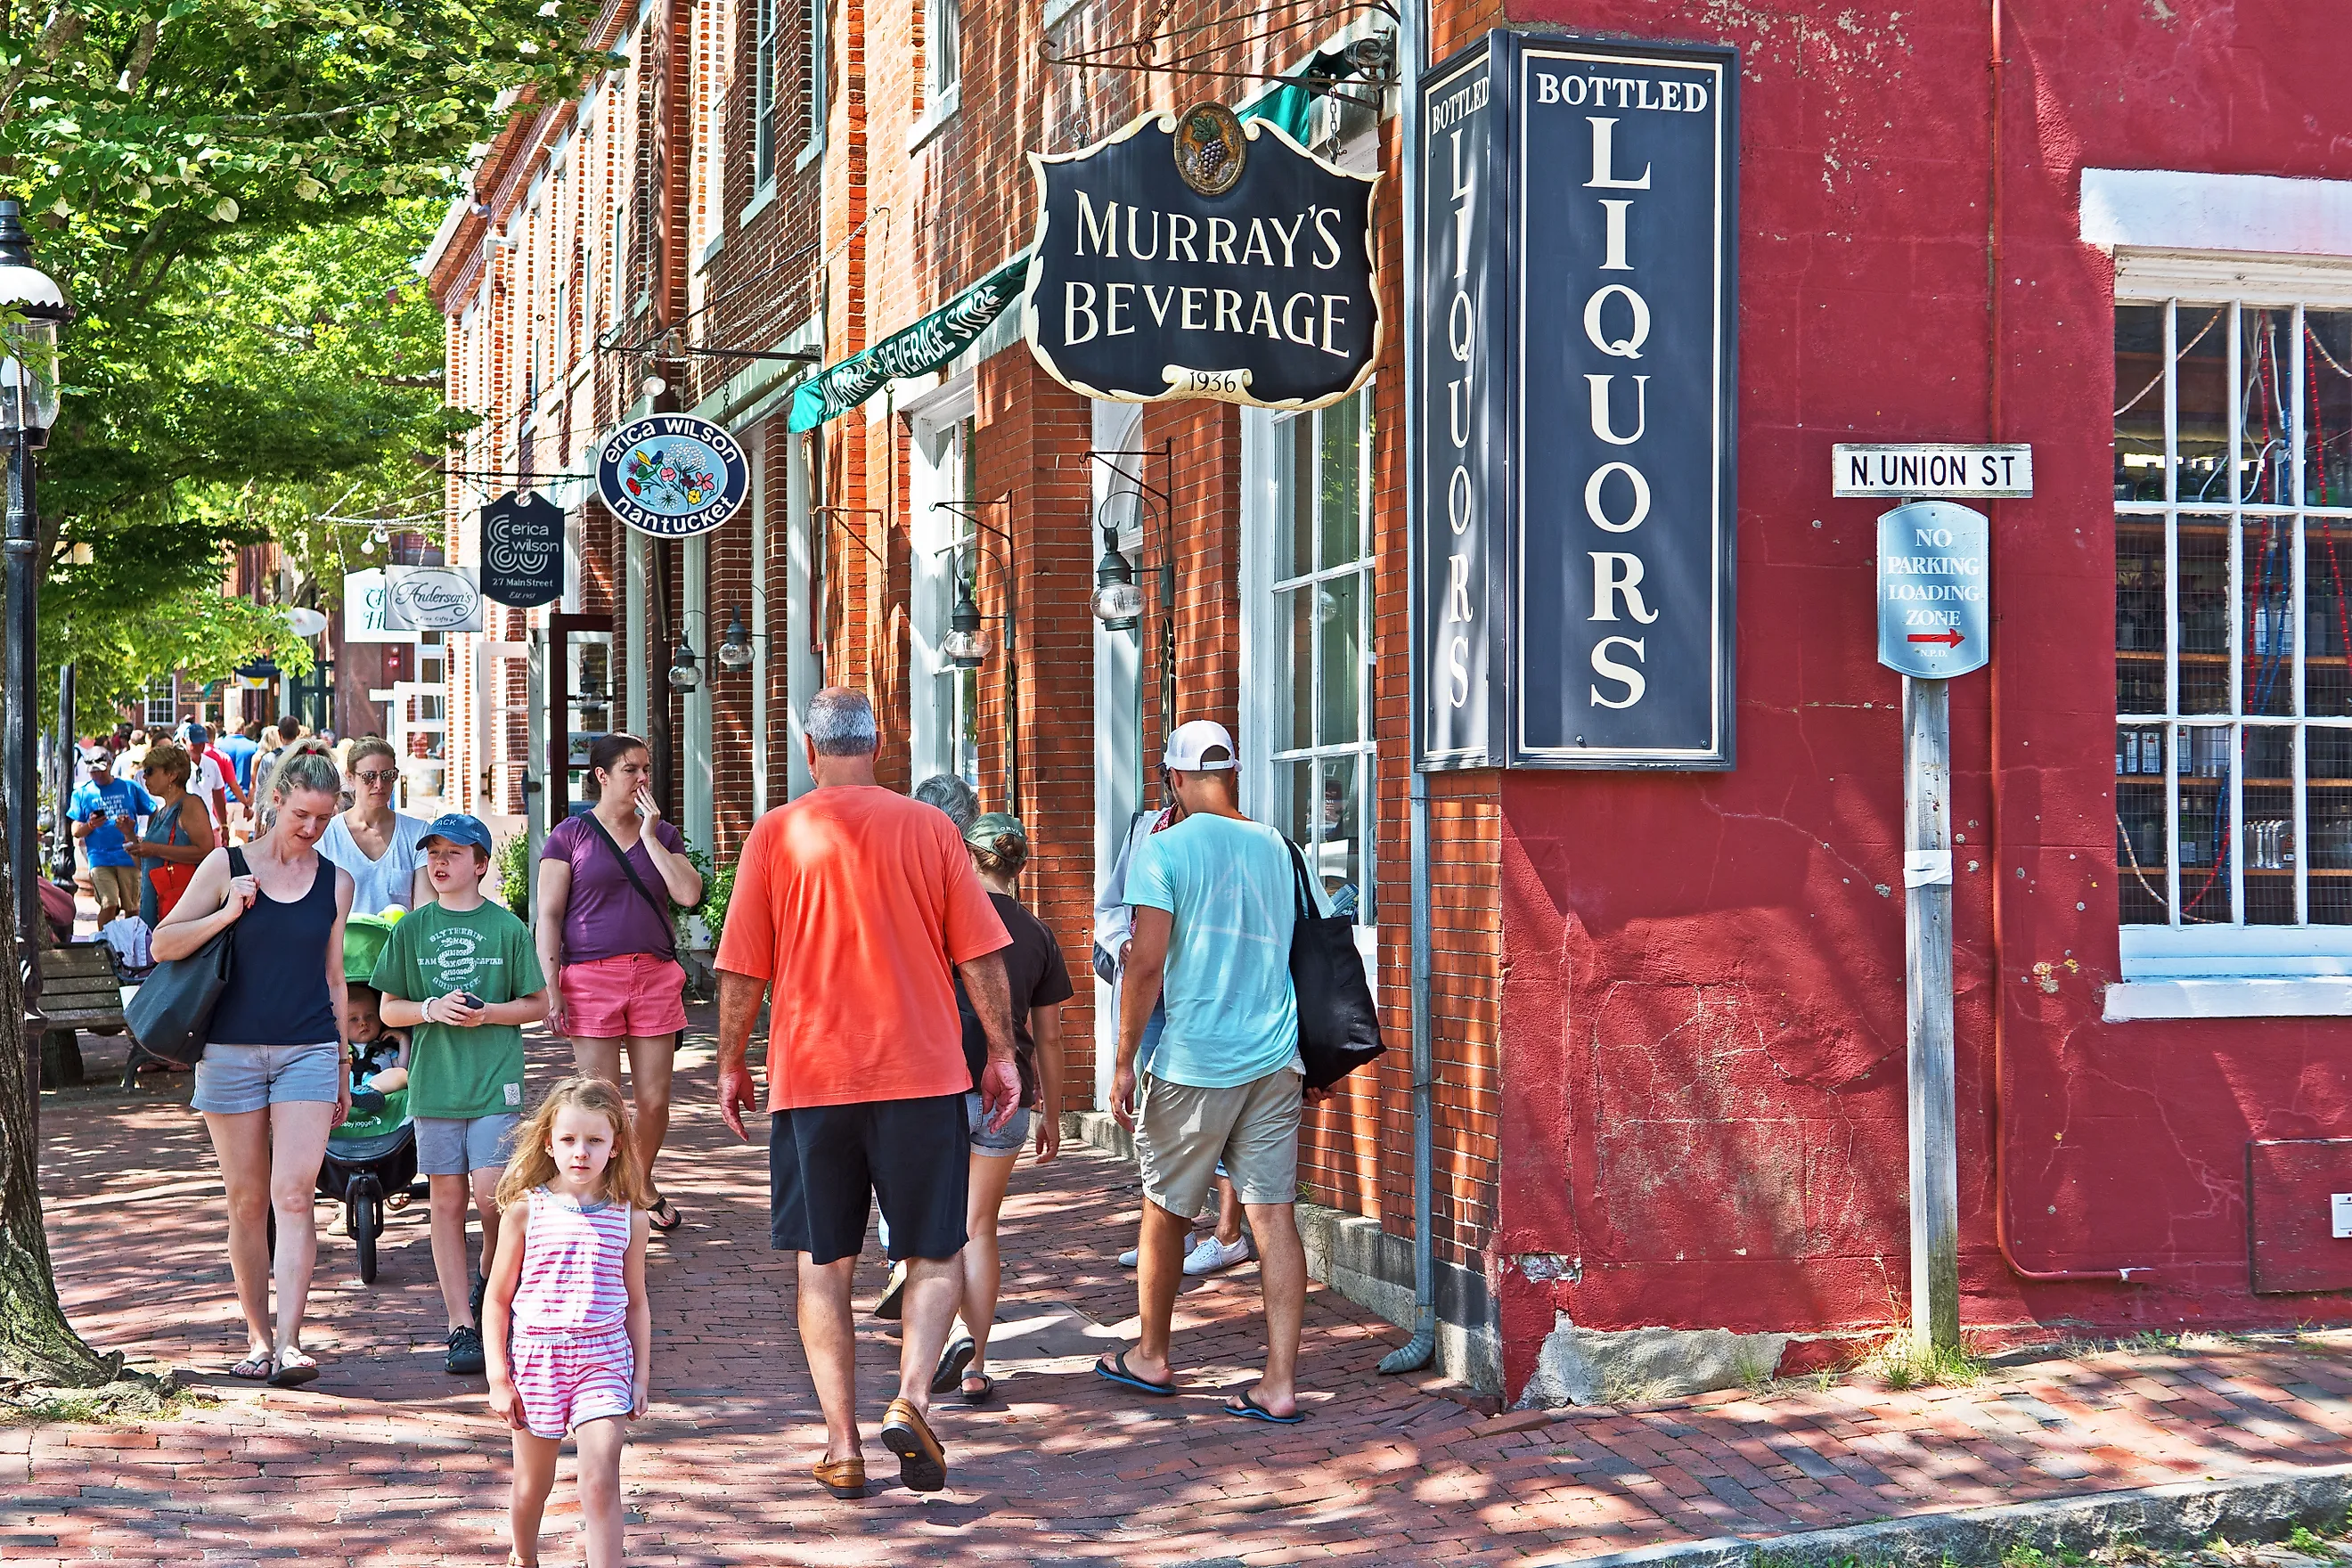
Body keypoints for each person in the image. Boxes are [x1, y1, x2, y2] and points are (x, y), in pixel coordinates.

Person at [713, 688, 1018, 1499]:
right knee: (934, 1250)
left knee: (824, 1265)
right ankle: (913, 1400)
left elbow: (744, 967)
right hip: (922, 1072)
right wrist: (1001, 1051)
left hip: (815, 1078)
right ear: (878, 750)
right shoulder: (930, 828)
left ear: (810, 753)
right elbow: (981, 955)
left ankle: (843, 1445)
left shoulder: (776, 834)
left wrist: (733, 1061)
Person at [1096, 719, 1321, 1425]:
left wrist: (1125, 1056)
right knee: (1274, 1218)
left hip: (1198, 1058)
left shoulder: (1163, 849)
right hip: (1277, 1054)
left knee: (1164, 1210)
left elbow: (1146, 964)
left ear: (1176, 779)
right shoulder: (1282, 849)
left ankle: (1152, 1356)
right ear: (1234, 774)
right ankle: (1279, 1384)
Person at [152, 740, 355, 1387]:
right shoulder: (224, 864)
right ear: (275, 801)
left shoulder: (336, 882)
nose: (312, 829)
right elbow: (162, 944)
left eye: (324, 818)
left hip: (309, 1049)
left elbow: (334, 977)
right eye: (303, 814)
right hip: (231, 1052)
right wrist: (227, 910)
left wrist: (345, 1061)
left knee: (293, 1195)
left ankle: (292, 1343)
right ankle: (258, 1338)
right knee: (245, 1201)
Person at [372, 813, 551, 1376]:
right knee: (446, 1202)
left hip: (495, 1076)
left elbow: (538, 1005)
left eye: (455, 853)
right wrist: (429, 1009)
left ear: (480, 863)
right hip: (435, 1084)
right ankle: (461, 1325)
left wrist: (487, 1015)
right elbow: (386, 1008)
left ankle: (491, 1286)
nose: (441, 862)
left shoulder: (507, 929)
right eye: (434, 852)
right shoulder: (411, 929)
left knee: (494, 1195)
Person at [927, 813, 1071, 1407]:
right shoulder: (1038, 935)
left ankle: (932, 1347)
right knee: (980, 1228)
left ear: (966, 856)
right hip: (1007, 1094)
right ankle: (977, 1365)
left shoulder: (939, 921)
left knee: (933, 1228)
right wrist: (1053, 1115)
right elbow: (1052, 1037)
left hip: (935, 1085)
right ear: (1020, 866)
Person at [483, 1077, 652, 1568]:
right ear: (549, 1143)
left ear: (616, 1145)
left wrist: (640, 1375)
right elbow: (497, 1299)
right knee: (532, 1485)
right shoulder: (524, 1211)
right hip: (537, 1360)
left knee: (600, 1479)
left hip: (604, 1358)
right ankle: (525, 1556)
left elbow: (636, 1302)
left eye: (596, 1140)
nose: (582, 1152)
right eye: (569, 1140)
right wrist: (499, 1376)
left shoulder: (630, 1218)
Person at [536, 734, 702, 1233]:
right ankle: (616, 1199)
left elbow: (689, 895)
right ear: (602, 776)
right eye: (631, 769)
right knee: (600, 1098)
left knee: (653, 1100)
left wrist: (651, 837)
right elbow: (548, 913)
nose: (642, 778)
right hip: (589, 977)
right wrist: (551, 985)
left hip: (653, 975)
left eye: (646, 768)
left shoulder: (663, 834)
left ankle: (637, 1182)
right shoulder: (570, 835)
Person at [1098, 789, 1253, 1278]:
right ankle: (1172, 1232)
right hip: (1153, 992)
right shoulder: (1146, 829)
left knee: (1225, 1111)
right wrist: (1125, 942)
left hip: (1208, 990)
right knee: (1155, 1114)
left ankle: (1228, 1236)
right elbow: (1115, 903)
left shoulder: (1237, 834)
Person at [319, 737, 433, 916]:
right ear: (350, 777)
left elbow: (426, 906)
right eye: (369, 777)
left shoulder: (418, 833)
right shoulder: (326, 835)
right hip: (342, 942)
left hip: (398, 942)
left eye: (387, 775)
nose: (379, 785)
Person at [127, 741, 216, 928]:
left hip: (179, 906)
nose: (144, 776)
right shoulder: (161, 812)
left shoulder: (190, 804)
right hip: (157, 904)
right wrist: (129, 836)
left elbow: (206, 851)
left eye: (150, 771)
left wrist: (154, 849)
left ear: (172, 775)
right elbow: (145, 864)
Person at [66, 747, 156, 926]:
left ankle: (130, 944)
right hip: (100, 857)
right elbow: (75, 830)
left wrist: (148, 835)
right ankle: (104, 943)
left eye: (101, 770)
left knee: (132, 908)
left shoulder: (129, 787)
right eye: (93, 771)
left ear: (110, 765)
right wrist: (91, 825)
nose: (97, 775)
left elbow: (153, 810)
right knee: (109, 904)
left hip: (129, 856)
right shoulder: (82, 793)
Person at [250, 714, 303, 827]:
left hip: (274, 811)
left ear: (279, 733)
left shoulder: (269, 759)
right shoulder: (305, 758)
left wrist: (258, 820)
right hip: (300, 811)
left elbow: (261, 790)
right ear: (298, 732)